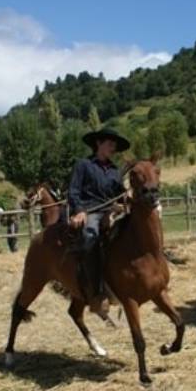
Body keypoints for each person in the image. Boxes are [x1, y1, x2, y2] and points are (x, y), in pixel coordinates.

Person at [67, 128, 129, 311]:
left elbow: (120, 194)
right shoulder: (83, 165)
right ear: (98, 144)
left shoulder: (114, 171)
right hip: (91, 212)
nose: (113, 148)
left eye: (115, 146)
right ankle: (96, 291)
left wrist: (127, 196)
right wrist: (79, 211)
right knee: (89, 237)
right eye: (110, 144)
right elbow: (73, 191)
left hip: (111, 211)